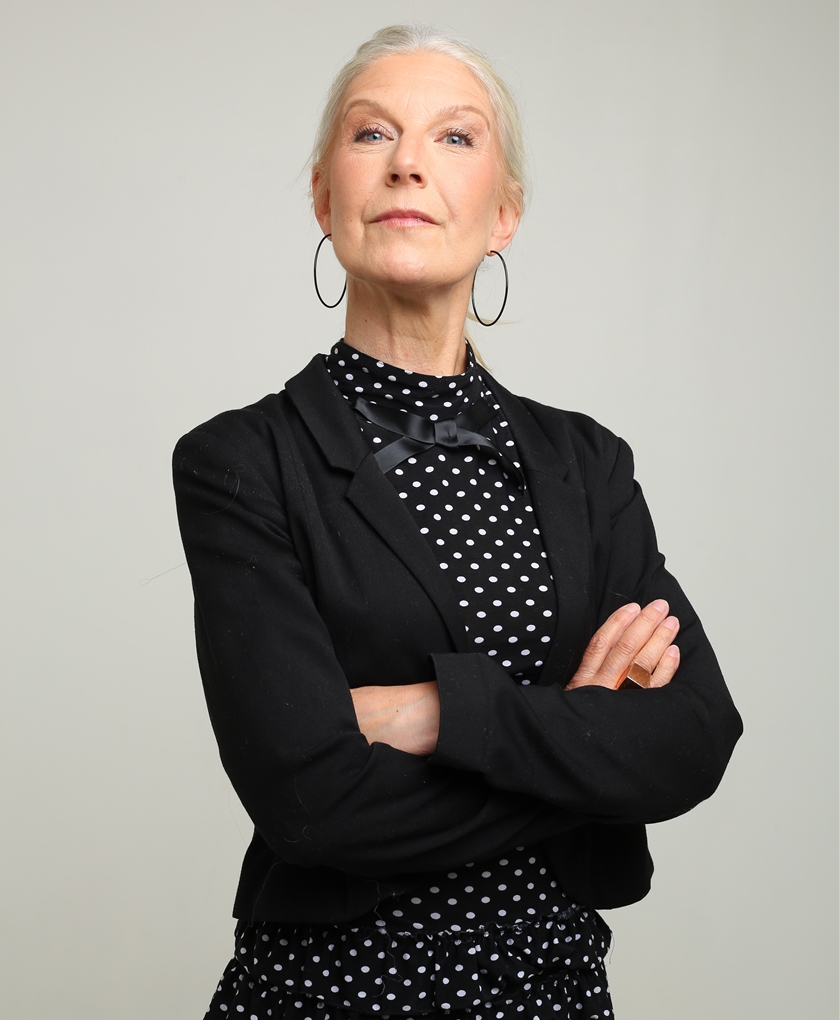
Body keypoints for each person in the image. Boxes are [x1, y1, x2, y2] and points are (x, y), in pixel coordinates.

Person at [173, 24, 742, 1020]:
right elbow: (311, 804)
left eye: (454, 137)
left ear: (504, 213)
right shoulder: (242, 461)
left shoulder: (587, 463)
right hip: (329, 995)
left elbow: (693, 736)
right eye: (372, 133)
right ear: (324, 198)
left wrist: (432, 712)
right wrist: (577, 727)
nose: (407, 162)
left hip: (555, 992)